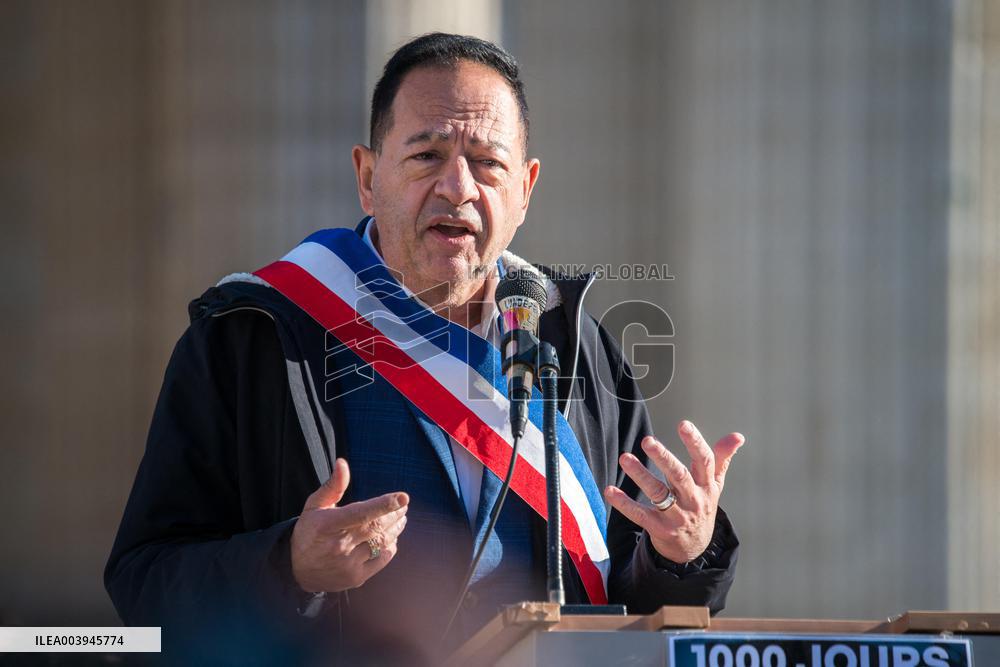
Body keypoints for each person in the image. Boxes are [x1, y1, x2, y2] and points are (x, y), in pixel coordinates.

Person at [105, 33, 744, 666]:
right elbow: (144, 586)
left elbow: (625, 605)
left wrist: (680, 556)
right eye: (426, 155)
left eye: (488, 163)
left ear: (526, 188)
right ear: (366, 175)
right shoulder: (255, 336)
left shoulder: (577, 345)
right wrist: (289, 567)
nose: (457, 186)